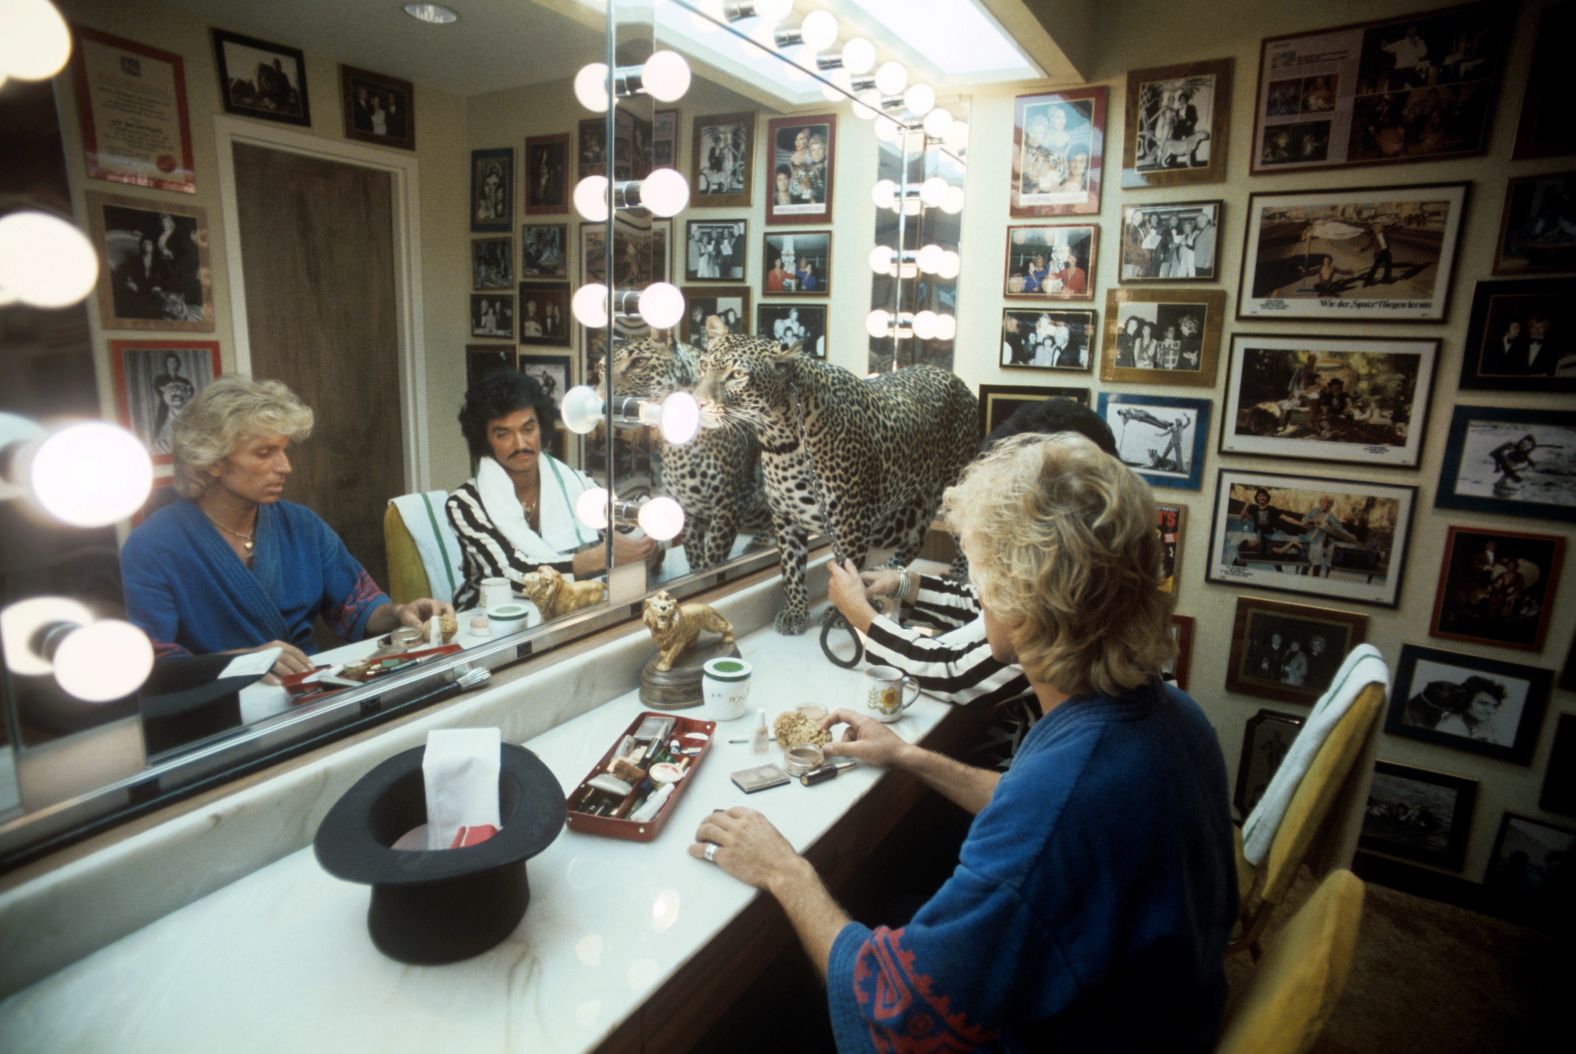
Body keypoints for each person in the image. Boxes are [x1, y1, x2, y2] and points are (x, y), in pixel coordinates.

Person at [694, 432, 1238, 1051]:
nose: (976, 594)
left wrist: (786, 871)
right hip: (1155, 1014)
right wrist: (908, 756)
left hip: (1073, 1036)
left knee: (769, 1013)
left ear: (1026, 604)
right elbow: (1035, 805)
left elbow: (896, 1012)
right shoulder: (1173, 716)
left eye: (982, 577)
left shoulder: (1062, 804)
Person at [121, 377, 451, 682]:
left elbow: (358, 608)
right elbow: (151, 664)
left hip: (308, 690)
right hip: (217, 712)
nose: (285, 467)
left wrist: (398, 613)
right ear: (213, 461)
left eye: (284, 450)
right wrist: (245, 661)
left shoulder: (302, 526)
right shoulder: (152, 547)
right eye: (265, 453)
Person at [825, 401, 1120, 717]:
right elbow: (993, 608)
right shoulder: (1092, 570)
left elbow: (953, 674)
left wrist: (860, 614)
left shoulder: (1067, 618)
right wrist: (903, 584)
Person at [445, 370, 655, 609]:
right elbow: (511, 574)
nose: (520, 444)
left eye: (528, 429)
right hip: (490, 623)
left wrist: (645, 547)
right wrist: (596, 559)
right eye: (503, 434)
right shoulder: (465, 503)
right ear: (485, 440)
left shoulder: (578, 484)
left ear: (541, 428)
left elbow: (627, 537)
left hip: (567, 612)